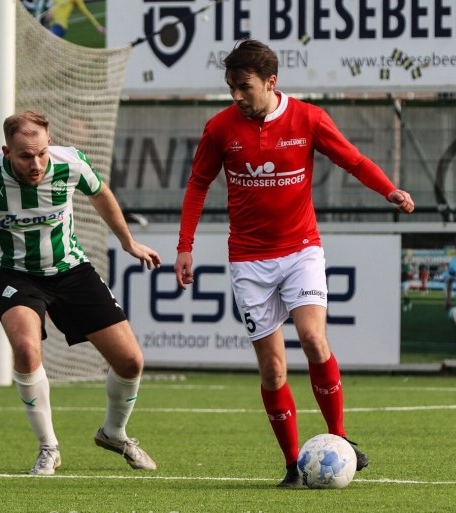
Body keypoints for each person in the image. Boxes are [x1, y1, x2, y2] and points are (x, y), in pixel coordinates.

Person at [172, 39, 415, 489]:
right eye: (231, 88)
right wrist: (185, 246)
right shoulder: (220, 129)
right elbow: (197, 185)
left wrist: (389, 190)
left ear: (271, 82)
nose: (236, 97)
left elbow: (353, 160)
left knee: (313, 339)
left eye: (244, 87)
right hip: (248, 260)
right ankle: (291, 466)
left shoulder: (308, 118)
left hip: (301, 248)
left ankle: (340, 441)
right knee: (273, 370)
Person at [0, 109, 161, 475]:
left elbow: (100, 193)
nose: (36, 163)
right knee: (25, 349)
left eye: (41, 152)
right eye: (25, 156)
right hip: (15, 273)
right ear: (7, 152)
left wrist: (128, 241)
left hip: (71, 269)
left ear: (49, 144)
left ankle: (114, 433)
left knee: (131, 361)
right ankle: (48, 447)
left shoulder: (70, 163)